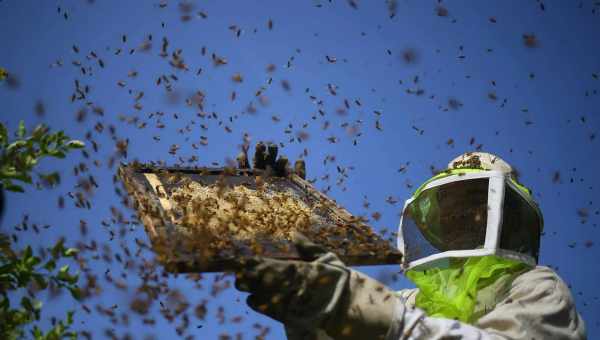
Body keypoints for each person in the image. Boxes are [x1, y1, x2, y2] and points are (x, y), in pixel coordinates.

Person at [234, 151, 587, 340]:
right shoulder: (409, 302)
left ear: (506, 215)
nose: (459, 217)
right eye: (449, 209)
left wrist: (382, 319)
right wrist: (281, 228)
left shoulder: (536, 289)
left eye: (475, 203)